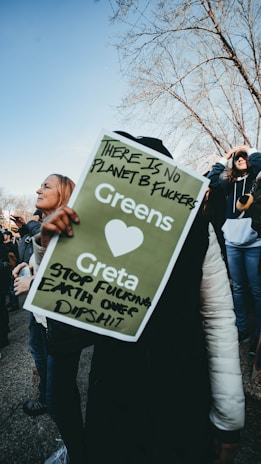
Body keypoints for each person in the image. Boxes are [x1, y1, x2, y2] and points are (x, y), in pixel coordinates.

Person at [29, 134, 244, 464]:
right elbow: (64, 312)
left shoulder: (199, 232)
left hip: (183, 391)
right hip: (115, 395)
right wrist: (48, 247)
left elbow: (218, 319)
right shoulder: (96, 233)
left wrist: (228, 421)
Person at [13, 174, 75, 417]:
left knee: (61, 392)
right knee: (39, 356)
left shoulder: (68, 229)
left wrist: (34, 283)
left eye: (46, 186)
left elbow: (69, 278)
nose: (38, 190)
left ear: (63, 194)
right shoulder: (48, 225)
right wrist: (26, 265)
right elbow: (43, 261)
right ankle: (47, 395)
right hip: (39, 316)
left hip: (58, 323)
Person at [207, 145, 261, 354]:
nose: (240, 158)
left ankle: (258, 333)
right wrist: (224, 157)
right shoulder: (228, 184)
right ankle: (242, 328)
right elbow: (212, 180)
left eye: (243, 157)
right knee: (238, 288)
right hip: (232, 243)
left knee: (257, 289)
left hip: (254, 242)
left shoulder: (256, 179)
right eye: (237, 157)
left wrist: (248, 148)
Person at [0, 231, 12, 349]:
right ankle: (4, 333)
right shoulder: (3, 247)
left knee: (1, 310)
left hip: (1, 283)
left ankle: (3, 337)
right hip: (3, 283)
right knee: (2, 309)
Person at [3, 230, 20, 311]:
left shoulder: (11, 246)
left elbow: (15, 257)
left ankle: (15, 304)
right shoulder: (6, 245)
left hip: (12, 268)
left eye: (5, 235)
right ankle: (11, 301)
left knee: (12, 287)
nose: (3, 236)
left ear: (8, 236)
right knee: (10, 287)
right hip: (9, 268)